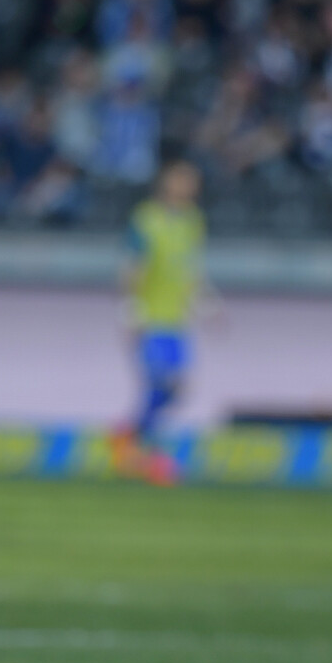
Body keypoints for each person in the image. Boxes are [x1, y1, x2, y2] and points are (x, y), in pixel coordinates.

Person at [115, 158, 212, 484]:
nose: (187, 188)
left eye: (191, 182)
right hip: (152, 319)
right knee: (159, 382)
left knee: (178, 389)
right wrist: (132, 308)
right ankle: (148, 453)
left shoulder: (193, 221)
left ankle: (128, 438)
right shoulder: (146, 219)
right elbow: (133, 266)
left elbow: (191, 268)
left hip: (178, 321)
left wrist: (206, 302)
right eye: (181, 180)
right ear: (166, 183)